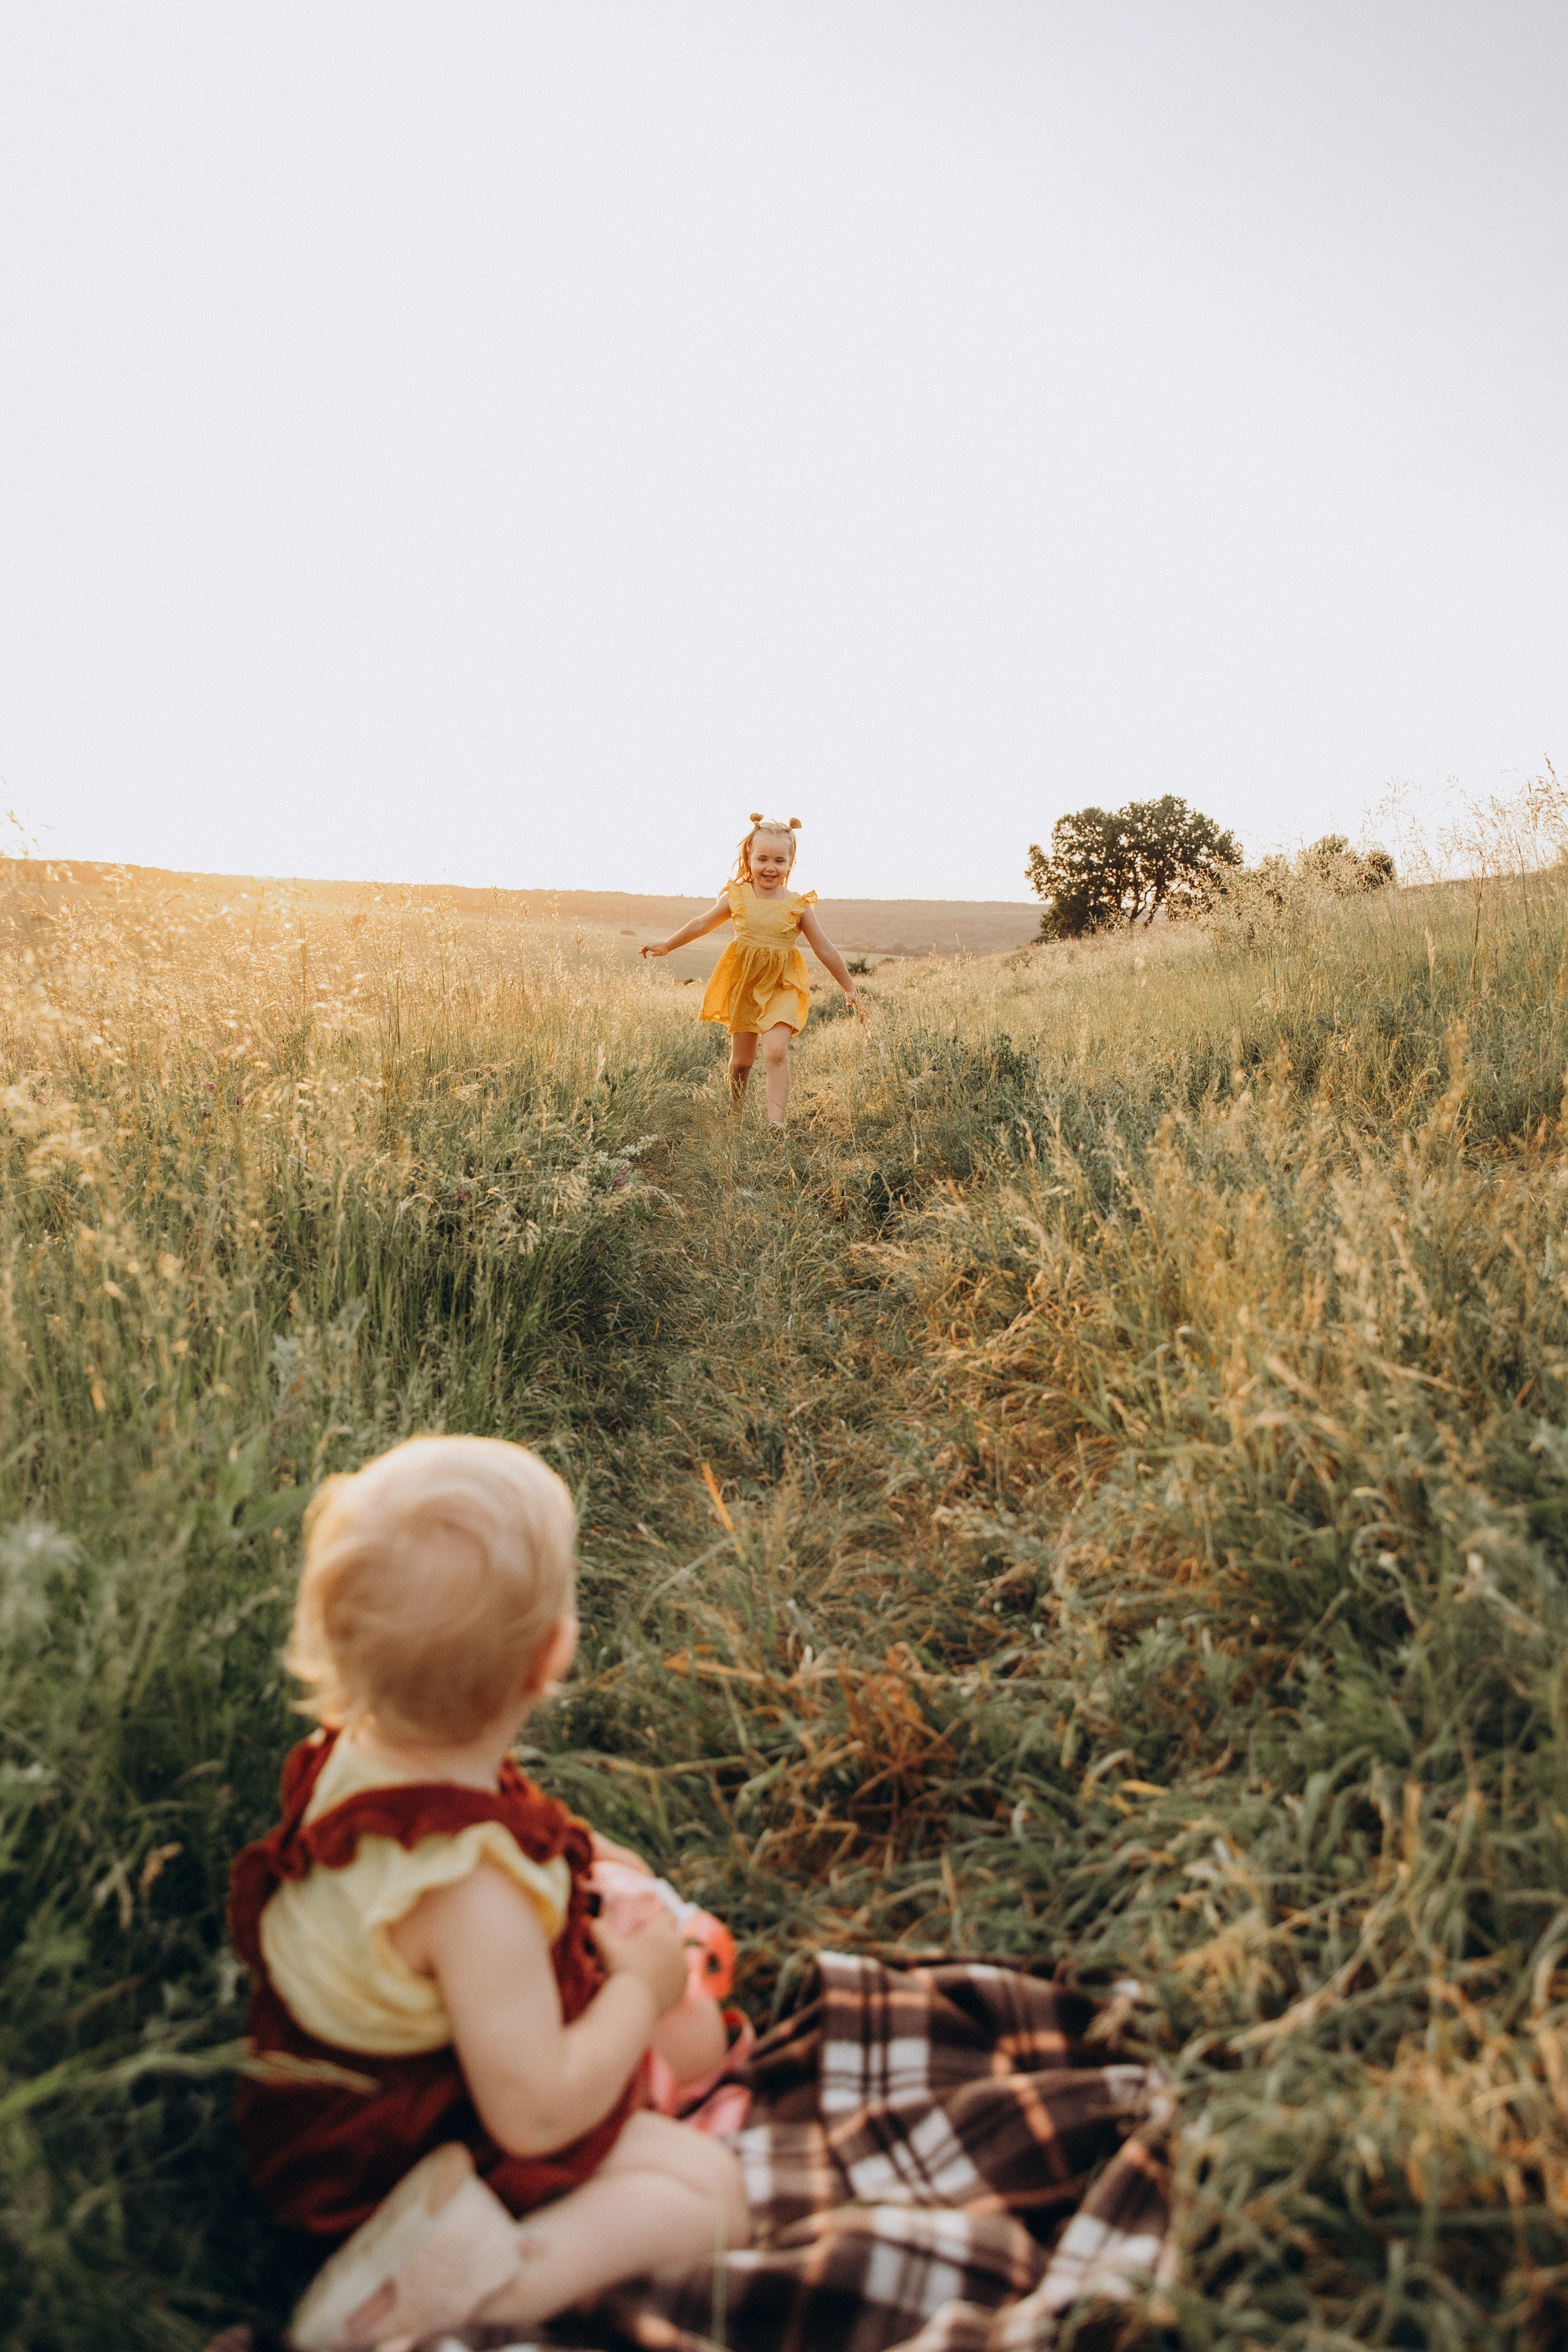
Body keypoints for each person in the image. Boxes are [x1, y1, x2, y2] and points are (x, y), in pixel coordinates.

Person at [228, 1436, 750, 2350]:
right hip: (394, 2165)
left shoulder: (368, 1758)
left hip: (332, 2116)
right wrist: (640, 1991)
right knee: (708, 2194)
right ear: (551, 1654)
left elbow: (524, 1832)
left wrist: (600, 1870)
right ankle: (458, 2290)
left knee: (662, 2038)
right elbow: (534, 2110)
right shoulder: (472, 1893)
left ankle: (448, 2265)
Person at [640, 815, 865, 1127]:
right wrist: (668, 944)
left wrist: (849, 986)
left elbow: (824, 947)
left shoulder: (798, 905)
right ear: (749, 858)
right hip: (745, 983)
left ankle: (777, 1126)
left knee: (775, 1052)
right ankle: (736, 1113)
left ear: (790, 864)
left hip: (782, 985)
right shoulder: (737, 897)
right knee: (742, 1062)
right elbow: (702, 923)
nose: (770, 867)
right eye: (762, 859)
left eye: (779, 860)